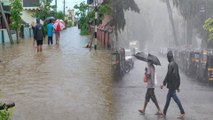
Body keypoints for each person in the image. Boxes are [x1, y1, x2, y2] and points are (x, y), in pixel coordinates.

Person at [160, 51, 185, 119]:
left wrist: (163, 83)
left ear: (169, 57)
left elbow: (168, 75)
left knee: (175, 99)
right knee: (168, 99)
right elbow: (178, 75)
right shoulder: (175, 64)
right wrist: (178, 85)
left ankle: (182, 112)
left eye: (167, 57)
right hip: (174, 85)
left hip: (171, 85)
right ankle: (164, 112)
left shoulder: (170, 64)